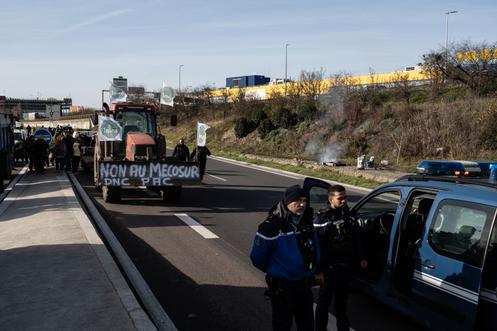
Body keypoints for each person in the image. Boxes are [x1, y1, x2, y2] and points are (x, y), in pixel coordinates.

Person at [250, 184, 320, 331]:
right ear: (288, 202)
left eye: (304, 200)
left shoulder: (306, 222)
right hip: (282, 288)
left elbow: (315, 248)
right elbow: (257, 258)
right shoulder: (271, 226)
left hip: (303, 283)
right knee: (282, 325)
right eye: (298, 201)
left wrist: (314, 270)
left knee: (307, 324)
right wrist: (277, 271)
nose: (302, 204)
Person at [313, 185, 368, 331]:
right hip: (328, 270)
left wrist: (362, 257)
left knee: (342, 305)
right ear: (331, 199)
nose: (344, 201)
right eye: (340, 198)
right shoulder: (322, 218)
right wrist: (318, 271)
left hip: (345, 268)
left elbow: (356, 237)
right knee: (324, 304)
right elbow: (316, 248)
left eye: (345, 197)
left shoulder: (347, 214)